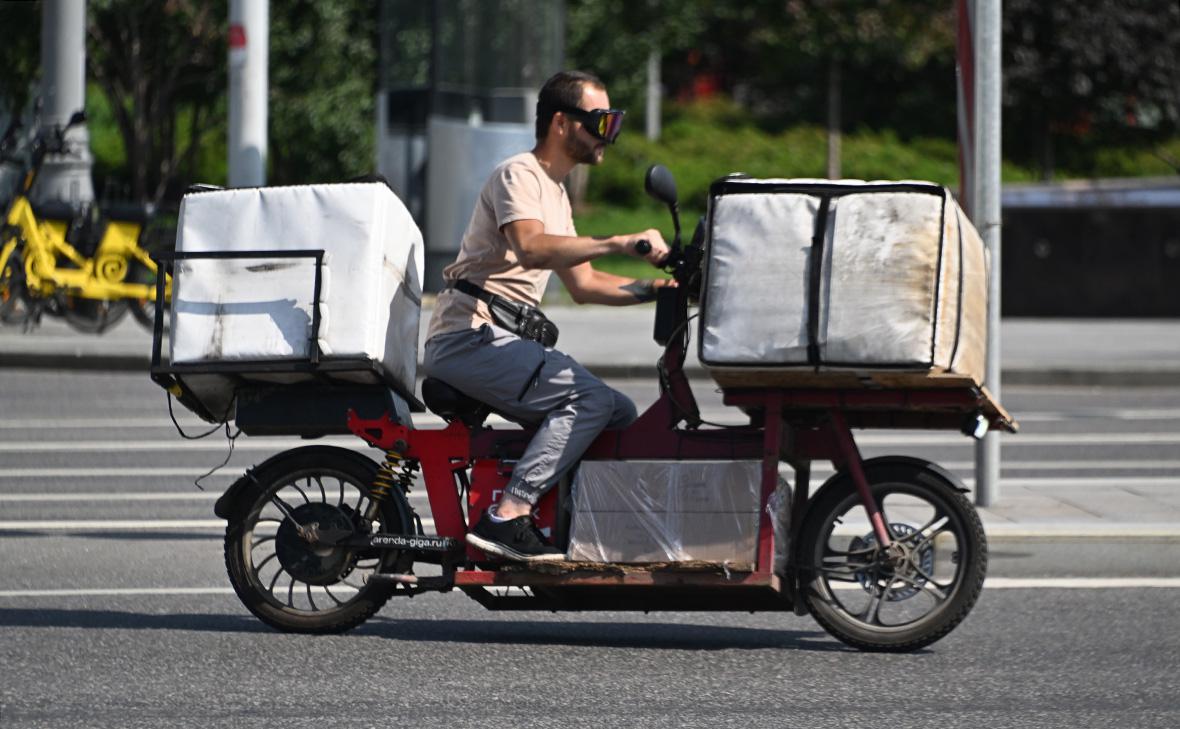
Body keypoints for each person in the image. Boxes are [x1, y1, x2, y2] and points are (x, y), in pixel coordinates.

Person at [421, 70, 673, 562]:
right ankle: (508, 515)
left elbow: (586, 284)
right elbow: (532, 249)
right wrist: (621, 241)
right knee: (590, 401)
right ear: (561, 122)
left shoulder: (555, 192)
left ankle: (569, 520)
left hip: (502, 342)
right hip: (469, 336)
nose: (610, 136)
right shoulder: (519, 174)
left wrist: (664, 291)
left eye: (613, 123)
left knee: (620, 412)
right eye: (601, 122)